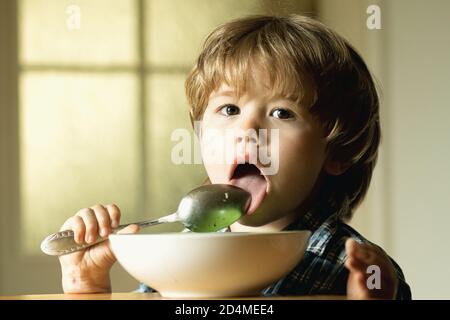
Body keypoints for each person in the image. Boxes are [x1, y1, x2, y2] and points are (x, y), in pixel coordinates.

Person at [58, 14, 411, 299]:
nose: (247, 130)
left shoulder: (355, 270)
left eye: (282, 113)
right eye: (229, 109)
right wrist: (86, 288)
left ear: (337, 151)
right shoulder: (180, 256)